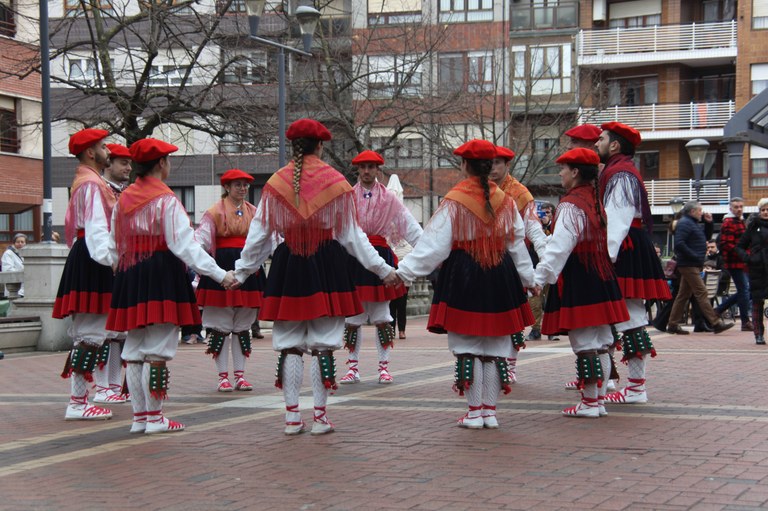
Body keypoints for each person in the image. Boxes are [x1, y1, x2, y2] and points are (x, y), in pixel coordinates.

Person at [233, 119, 397, 436]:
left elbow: (259, 236)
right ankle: (320, 417)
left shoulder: (276, 184)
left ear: (293, 145)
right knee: (324, 344)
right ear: (320, 146)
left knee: (290, 345)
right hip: (327, 266)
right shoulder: (335, 183)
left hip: (289, 264)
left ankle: (292, 417)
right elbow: (353, 237)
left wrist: (240, 272)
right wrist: (383, 269)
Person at [395, 139, 535, 429]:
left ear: (464, 166)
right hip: (500, 273)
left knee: (467, 345)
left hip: (465, 274)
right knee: (496, 345)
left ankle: (474, 412)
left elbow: (433, 247)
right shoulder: (506, 201)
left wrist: (403, 272)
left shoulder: (455, 200)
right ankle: (490, 412)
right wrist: (529, 279)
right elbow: (517, 244)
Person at [106, 138, 235, 434]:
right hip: (161, 272)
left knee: (135, 348)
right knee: (159, 348)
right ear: (161, 163)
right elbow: (184, 246)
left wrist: (120, 270)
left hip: (131, 272)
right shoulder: (165, 200)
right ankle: (155, 417)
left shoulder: (123, 199)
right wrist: (220, 274)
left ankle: (140, 418)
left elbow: (114, 244)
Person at [535, 148, 629, 417]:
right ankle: (597, 401)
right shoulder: (595, 200)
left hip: (581, 275)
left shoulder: (570, 204)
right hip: (602, 274)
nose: (560, 173)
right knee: (600, 339)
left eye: (563, 169)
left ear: (575, 172)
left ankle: (589, 402)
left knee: (585, 341)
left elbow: (559, 248)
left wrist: (539, 278)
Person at [595, 121, 671, 405]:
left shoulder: (620, 174)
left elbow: (617, 219)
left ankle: (636, 388)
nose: (596, 143)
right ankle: (628, 385)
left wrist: (606, 257)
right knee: (630, 315)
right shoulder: (620, 171)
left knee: (631, 315)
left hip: (624, 246)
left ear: (615, 145)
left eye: (601, 139)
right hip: (629, 244)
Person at [340, 150, 422, 385]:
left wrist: (425, 250)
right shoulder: (347, 196)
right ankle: (352, 367)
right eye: (363, 167)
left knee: (382, 316)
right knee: (353, 316)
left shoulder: (389, 199)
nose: (366, 171)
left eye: (371, 167)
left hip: (381, 253)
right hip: (354, 258)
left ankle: (383, 367)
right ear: (358, 169)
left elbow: (409, 226)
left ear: (378, 170)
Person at [53, 128, 115, 421]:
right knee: (90, 333)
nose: (109, 152)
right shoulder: (91, 183)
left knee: (90, 333)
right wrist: (110, 260)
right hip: (93, 256)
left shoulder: (89, 180)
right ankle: (78, 402)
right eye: (103, 147)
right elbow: (95, 227)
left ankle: (80, 399)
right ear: (91, 152)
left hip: (88, 254)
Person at [195, 168, 266, 392]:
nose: (243, 188)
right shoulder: (213, 212)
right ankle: (222, 376)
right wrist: (205, 267)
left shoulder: (254, 212)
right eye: (238, 185)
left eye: (245, 185)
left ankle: (240, 375)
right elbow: (201, 241)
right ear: (227, 187)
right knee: (220, 326)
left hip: (248, 265)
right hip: (222, 266)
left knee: (242, 325)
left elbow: (265, 238)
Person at [490, 145, 547, 383]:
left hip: (514, 259)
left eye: (497, 163)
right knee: (490, 314)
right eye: (489, 163)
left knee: (513, 315)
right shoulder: (482, 189)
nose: (492, 168)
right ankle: (493, 362)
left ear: (507, 165)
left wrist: (545, 255)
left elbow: (533, 226)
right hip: (486, 259)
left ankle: (509, 365)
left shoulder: (520, 192)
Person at [90, 143, 133, 405]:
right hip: (104, 262)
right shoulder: (99, 189)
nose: (128, 168)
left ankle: (114, 385)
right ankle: (101, 386)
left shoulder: (126, 193)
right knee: (102, 329)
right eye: (122, 163)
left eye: (129, 163)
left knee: (120, 330)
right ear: (109, 164)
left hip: (123, 263)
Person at [666, 201, 734, 336]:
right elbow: (679, 244)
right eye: (699, 210)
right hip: (689, 264)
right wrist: (695, 256)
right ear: (692, 211)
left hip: (691, 263)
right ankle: (715, 322)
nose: (701, 213)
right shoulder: (685, 223)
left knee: (683, 295)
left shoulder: (691, 223)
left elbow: (705, 238)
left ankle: (673, 324)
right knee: (701, 292)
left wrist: (709, 223)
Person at [715, 197, 752, 331]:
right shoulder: (729, 222)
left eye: (741, 206)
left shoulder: (740, 221)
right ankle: (745, 321)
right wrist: (742, 253)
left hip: (742, 262)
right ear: (731, 208)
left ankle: (718, 309)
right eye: (736, 207)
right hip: (734, 262)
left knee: (747, 290)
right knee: (744, 290)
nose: (739, 209)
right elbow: (726, 244)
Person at [735, 198, 768, 345]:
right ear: (759, 211)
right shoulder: (753, 227)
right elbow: (740, 246)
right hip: (758, 268)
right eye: (763, 210)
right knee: (757, 302)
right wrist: (748, 258)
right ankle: (758, 334)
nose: (766, 212)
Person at [2, 233, 26, 298]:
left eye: (22, 242)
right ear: (14, 243)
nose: (20, 244)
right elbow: (7, 270)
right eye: (18, 242)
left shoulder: (25, 254)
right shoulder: (8, 253)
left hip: (25, 290)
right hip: (15, 289)